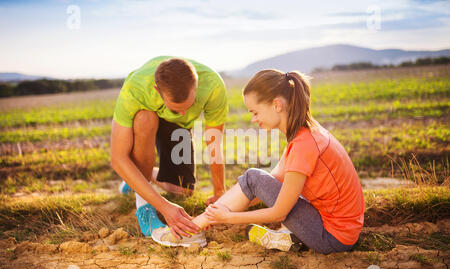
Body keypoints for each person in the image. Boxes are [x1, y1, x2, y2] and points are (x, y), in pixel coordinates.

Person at [152, 69, 365, 254]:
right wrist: (221, 208)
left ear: (276, 105)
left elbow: (278, 210)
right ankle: (284, 236)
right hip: (338, 228)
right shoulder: (306, 133)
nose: (254, 119)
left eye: (255, 112)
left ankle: (189, 231)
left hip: (332, 237)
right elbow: (269, 183)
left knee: (253, 177)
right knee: (255, 179)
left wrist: (227, 217)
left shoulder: (303, 145)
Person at [110, 56, 228, 242]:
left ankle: (134, 179)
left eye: (188, 106)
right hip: (148, 117)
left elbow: (214, 143)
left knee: (182, 190)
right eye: (177, 109)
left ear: (196, 86)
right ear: (157, 91)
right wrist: (164, 206)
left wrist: (220, 193)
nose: (183, 112)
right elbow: (117, 158)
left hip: (179, 128)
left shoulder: (213, 86)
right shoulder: (135, 89)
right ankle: (143, 205)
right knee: (145, 118)